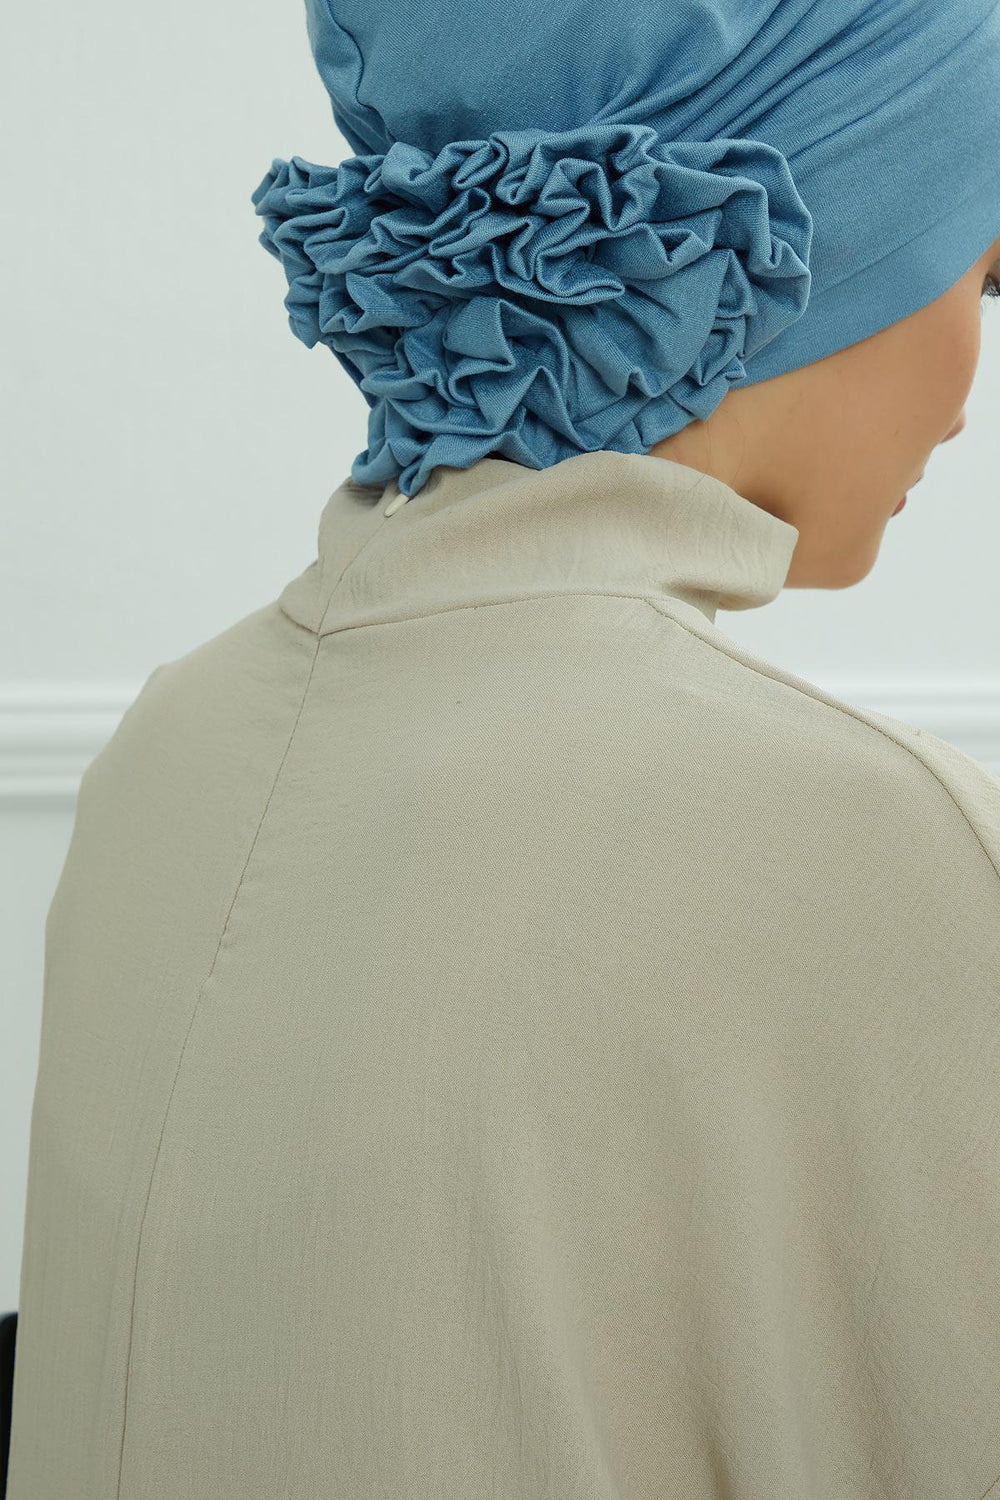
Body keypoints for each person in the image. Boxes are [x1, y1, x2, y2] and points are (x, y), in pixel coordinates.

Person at [7, 2, 1000, 1498]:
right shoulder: (884, 840)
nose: (973, 394)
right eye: (985, 272)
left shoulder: (169, 745)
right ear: (813, 259)